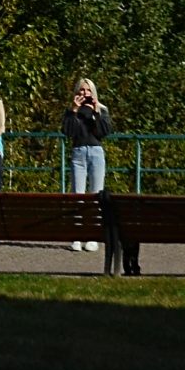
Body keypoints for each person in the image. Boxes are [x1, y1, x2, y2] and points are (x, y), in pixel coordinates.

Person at [62, 78, 113, 252]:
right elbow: (68, 131)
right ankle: (77, 235)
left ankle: (92, 236)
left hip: (96, 152)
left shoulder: (102, 110)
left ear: (93, 92)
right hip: (78, 152)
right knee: (77, 195)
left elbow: (103, 132)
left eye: (88, 90)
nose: (85, 93)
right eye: (82, 90)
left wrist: (96, 112)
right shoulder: (71, 111)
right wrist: (74, 111)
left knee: (96, 194)